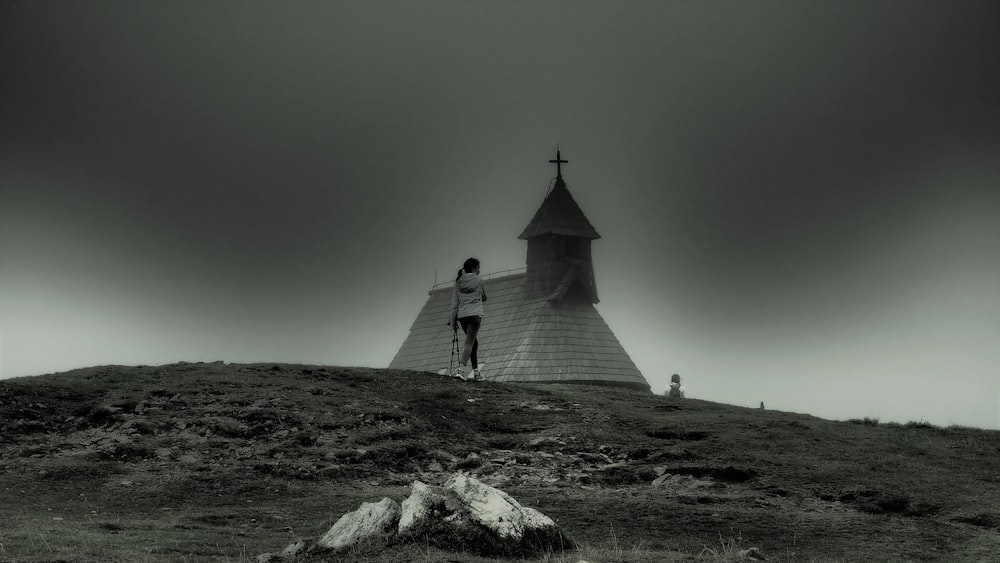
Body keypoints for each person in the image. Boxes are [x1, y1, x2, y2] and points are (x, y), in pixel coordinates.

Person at [450, 257, 487, 381]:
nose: (479, 271)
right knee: (469, 342)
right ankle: (461, 370)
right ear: (473, 268)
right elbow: (485, 297)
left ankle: (476, 373)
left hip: (462, 316)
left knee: (473, 342)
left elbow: (455, 304)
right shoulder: (479, 280)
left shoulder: (458, 282)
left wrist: (453, 322)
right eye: (478, 268)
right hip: (475, 315)